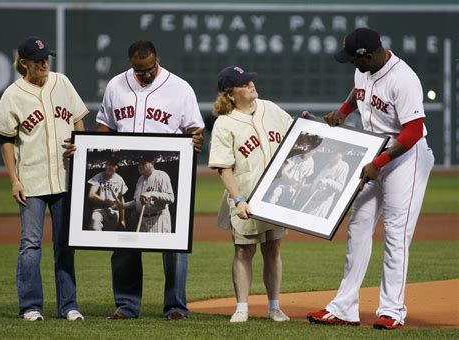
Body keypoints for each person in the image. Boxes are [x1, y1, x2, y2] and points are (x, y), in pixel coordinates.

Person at [306, 28, 435, 329]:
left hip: (406, 158)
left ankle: (392, 310)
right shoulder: (364, 70)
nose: (353, 65)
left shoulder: (403, 79)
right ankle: (344, 308)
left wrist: (379, 162)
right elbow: (358, 93)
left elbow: (414, 131)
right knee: (358, 228)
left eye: (355, 59)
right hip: (376, 155)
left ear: (370, 55)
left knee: (395, 234)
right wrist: (343, 112)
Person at [94, 39, 205, 320]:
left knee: (175, 247)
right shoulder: (115, 86)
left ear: (157, 60)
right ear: (131, 63)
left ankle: (176, 306)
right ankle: (127, 306)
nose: (144, 74)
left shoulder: (180, 88)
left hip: (167, 168)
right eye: (138, 69)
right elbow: (104, 126)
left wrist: (196, 140)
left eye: (149, 68)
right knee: (124, 244)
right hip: (130, 170)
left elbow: (195, 129)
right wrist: (90, 149)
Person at [0, 36, 87, 321]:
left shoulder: (62, 82)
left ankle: (68, 306)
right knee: (30, 245)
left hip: (64, 179)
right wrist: (14, 180)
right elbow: (7, 140)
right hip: (31, 180)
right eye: (38, 59)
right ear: (24, 63)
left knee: (65, 245)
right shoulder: (12, 94)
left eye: (46, 57)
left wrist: (79, 142)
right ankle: (31, 307)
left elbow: (78, 119)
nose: (45, 63)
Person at [208, 66, 293, 323]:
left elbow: (296, 137)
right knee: (244, 251)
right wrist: (237, 200)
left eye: (249, 81)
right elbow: (223, 167)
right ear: (230, 94)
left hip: (276, 195)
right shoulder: (224, 123)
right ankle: (242, 307)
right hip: (244, 197)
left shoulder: (271, 108)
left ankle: (274, 307)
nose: (250, 85)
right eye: (243, 84)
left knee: (273, 249)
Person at [117, 156, 174, 233]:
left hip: (158, 220)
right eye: (139, 164)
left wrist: (151, 194)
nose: (140, 166)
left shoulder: (161, 175)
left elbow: (170, 198)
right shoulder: (140, 179)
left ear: (152, 163)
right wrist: (123, 205)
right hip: (143, 221)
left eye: (143, 163)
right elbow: (137, 201)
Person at [300, 151, 349, 218]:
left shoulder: (344, 166)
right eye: (331, 154)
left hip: (320, 205)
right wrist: (302, 186)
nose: (331, 156)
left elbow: (340, 187)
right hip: (310, 201)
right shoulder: (327, 165)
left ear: (340, 155)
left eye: (334, 154)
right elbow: (316, 184)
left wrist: (327, 181)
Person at [87, 156, 128, 231]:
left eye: (111, 164)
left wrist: (122, 220)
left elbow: (121, 199)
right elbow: (91, 195)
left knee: (109, 235)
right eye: (107, 164)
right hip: (100, 209)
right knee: (94, 224)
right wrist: (106, 201)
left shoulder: (119, 180)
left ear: (116, 166)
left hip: (113, 211)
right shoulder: (99, 177)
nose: (108, 166)